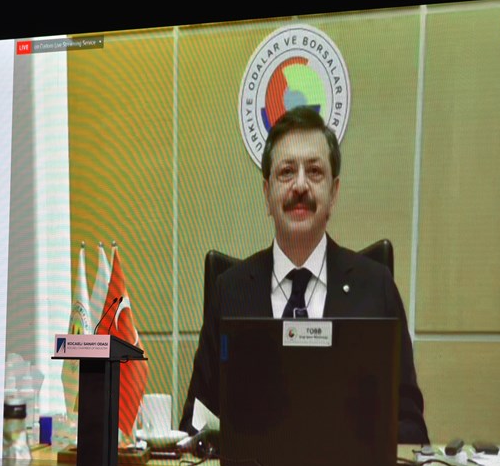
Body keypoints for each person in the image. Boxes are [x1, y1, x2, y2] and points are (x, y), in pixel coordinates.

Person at [179, 105, 430, 444]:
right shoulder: (230, 291)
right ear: (267, 193)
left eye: (314, 172)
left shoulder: (375, 288)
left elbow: (411, 428)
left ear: (334, 193)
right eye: (286, 172)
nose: (300, 185)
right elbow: (195, 425)